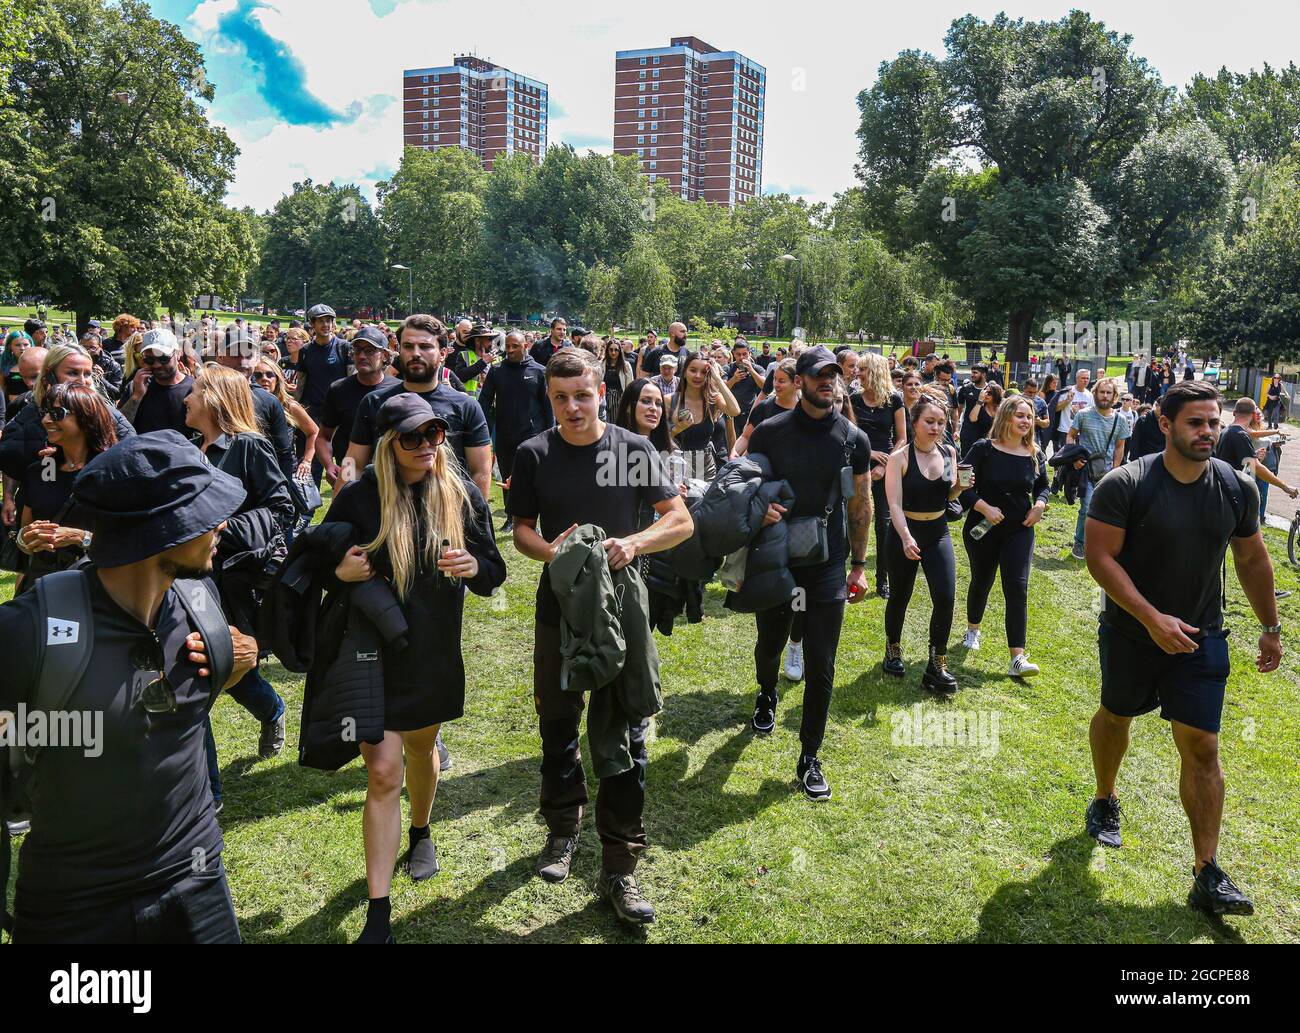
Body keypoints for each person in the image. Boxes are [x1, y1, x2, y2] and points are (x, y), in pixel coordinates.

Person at [0, 431, 257, 942]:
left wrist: (237, 656)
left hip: (199, 882)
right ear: (159, 530)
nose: (222, 523)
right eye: (204, 511)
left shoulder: (198, 601)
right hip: (75, 909)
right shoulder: (27, 632)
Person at [1083, 380, 1282, 917]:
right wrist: (1149, 618)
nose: (1208, 433)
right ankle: (1104, 799)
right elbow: (1100, 559)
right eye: (1196, 423)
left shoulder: (1235, 488)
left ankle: (1206, 871)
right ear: (1165, 424)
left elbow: (1252, 559)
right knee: (1117, 716)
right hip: (1131, 634)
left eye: (1214, 423)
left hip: (1201, 637)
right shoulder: (1127, 485)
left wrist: (1271, 625)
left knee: (1203, 749)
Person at [508, 348, 692, 925]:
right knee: (558, 725)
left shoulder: (633, 450)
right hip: (559, 609)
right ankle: (563, 831)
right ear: (550, 398)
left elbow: (680, 519)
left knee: (625, 734)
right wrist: (556, 553)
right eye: (560, 398)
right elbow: (521, 531)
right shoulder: (534, 453)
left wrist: (634, 543)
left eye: (582, 395)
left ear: (601, 394)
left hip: (621, 611)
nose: (572, 407)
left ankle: (621, 864)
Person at [323, 393, 506, 943]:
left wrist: (475, 565)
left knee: (423, 750)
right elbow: (315, 560)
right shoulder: (360, 498)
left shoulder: (460, 493)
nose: (427, 446)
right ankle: (378, 915)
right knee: (383, 772)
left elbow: (494, 571)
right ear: (388, 444)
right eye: (413, 438)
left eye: (435, 435)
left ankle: (421, 830)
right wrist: (342, 571)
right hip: (371, 652)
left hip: (431, 653)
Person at [747, 346, 873, 801]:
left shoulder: (853, 439)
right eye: (819, 375)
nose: (828, 382)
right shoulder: (769, 432)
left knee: (823, 662)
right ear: (798, 381)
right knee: (770, 643)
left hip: (827, 564)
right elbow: (746, 489)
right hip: (777, 559)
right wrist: (761, 510)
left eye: (834, 375)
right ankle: (765, 693)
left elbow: (860, 505)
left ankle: (810, 756)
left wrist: (859, 565)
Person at [184, 365, 295, 809]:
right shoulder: (192, 447)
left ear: (214, 400)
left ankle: (208, 797)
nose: (186, 400)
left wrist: (227, 528)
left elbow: (281, 506)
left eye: (193, 392)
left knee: (207, 671)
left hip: (232, 580)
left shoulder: (248, 447)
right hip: (191, 577)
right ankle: (272, 710)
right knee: (207, 668)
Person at [344, 315, 491, 501]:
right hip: (384, 513)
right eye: (408, 346)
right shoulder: (374, 402)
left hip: (446, 515)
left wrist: (473, 520)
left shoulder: (466, 406)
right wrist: (343, 498)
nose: (415, 353)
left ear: (443, 353)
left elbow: (480, 472)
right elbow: (352, 462)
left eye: (425, 346)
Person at [959, 395, 1049, 677]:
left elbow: (1044, 486)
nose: (1026, 421)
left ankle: (1017, 659)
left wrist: (1040, 505)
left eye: (1029, 416)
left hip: (1019, 529)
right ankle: (973, 629)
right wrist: (983, 507)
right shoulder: (984, 448)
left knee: (1017, 587)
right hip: (982, 528)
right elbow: (961, 485)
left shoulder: (1035, 453)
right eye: (1020, 415)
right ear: (1006, 417)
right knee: (982, 580)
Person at [882, 394, 964, 694]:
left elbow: (947, 497)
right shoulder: (899, 458)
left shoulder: (948, 454)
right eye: (929, 421)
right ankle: (893, 649)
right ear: (914, 422)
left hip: (938, 532)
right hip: (905, 531)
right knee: (900, 596)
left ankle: (936, 663)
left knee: (945, 597)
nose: (936, 427)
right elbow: (893, 504)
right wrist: (905, 537)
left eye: (941, 422)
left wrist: (959, 487)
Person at [13, 384, 117, 591]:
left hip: (96, 588)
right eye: (45, 412)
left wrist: (79, 537)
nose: (46, 420)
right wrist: (26, 539)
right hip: (43, 585)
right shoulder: (42, 469)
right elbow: (25, 533)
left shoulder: (112, 471)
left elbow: (130, 541)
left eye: (56, 413)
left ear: (85, 417)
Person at [477, 329, 553, 533]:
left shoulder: (539, 371)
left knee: (532, 478)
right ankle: (510, 518)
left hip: (532, 435)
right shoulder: (497, 371)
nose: (509, 350)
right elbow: (484, 401)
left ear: (525, 346)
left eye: (515, 346)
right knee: (506, 476)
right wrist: (483, 427)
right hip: (505, 434)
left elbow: (547, 406)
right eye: (507, 346)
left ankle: (533, 520)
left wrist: (550, 433)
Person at [314, 325, 392, 489]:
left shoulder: (398, 390)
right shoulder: (339, 390)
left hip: (390, 472)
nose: (362, 356)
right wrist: (329, 465)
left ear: (385, 356)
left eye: (370, 350)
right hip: (349, 470)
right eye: (357, 350)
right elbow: (323, 437)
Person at [1067, 377, 1130, 561]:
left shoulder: (1120, 419)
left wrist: (1115, 471)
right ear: (1095, 393)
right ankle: (1079, 542)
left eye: (1108, 392)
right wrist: (1074, 458)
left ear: (1114, 395)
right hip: (1086, 469)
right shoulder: (1083, 414)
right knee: (1086, 507)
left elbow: (1120, 447)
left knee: (1104, 510)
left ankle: (1097, 544)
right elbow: (1071, 436)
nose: (1104, 395)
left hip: (1107, 472)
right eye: (1101, 392)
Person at [669, 350, 740, 481]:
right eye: (693, 370)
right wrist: (677, 429)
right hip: (677, 464)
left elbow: (735, 411)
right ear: (684, 372)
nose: (698, 376)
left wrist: (718, 379)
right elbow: (657, 439)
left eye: (703, 372)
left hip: (706, 465)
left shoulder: (713, 400)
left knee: (704, 500)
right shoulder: (669, 400)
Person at [119, 328, 195, 435]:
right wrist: (136, 397)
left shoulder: (194, 389)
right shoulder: (135, 387)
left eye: (163, 358)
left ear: (177, 354)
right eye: (149, 359)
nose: (157, 365)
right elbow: (118, 429)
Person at [735, 357, 799, 459]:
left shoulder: (803, 411)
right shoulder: (765, 407)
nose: (776, 384)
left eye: (781, 381)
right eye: (774, 379)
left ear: (796, 383)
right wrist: (734, 456)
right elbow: (746, 437)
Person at [724, 339, 765, 436]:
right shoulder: (727, 369)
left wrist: (751, 371)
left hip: (750, 413)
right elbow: (722, 389)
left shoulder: (757, 368)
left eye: (744, 354)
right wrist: (734, 379)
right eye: (738, 354)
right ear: (733, 354)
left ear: (749, 353)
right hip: (731, 414)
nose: (741, 357)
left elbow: (765, 386)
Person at [959, 381, 1003, 458]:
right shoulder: (980, 406)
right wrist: (979, 401)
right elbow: (972, 419)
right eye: (985, 392)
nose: (986, 395)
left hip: (993, 444)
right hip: (977, 442)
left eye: (989, 393)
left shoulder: (1000, 410)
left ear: (995, 395)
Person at [599, 335, 634, 421]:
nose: (613, 352)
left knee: (617, 423)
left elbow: (630, 386)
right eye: (611, 350)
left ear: (620, 351)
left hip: (619, 400)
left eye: (616, 350)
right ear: (607, 350)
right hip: (604, 398)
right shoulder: (602, 364)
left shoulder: (625, 366)